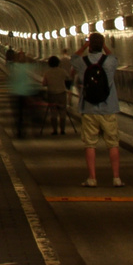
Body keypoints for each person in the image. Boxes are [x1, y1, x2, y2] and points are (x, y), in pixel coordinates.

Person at [72, 32, 122, 187]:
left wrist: (84, 46)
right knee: (113, 143)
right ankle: (116, 178)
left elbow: (73, 58)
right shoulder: (110, 61)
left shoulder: (82, 62)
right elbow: (112, 56)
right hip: (109, 108)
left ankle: (92, 178)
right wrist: (104, 45)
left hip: (89, 108)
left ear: (89, 46)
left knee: (90, 144)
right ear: (102, 45)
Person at [7, 51, 41, 138]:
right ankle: (21, 129)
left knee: (22, 113)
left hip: (26, 92)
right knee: (20, 114)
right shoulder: (15, 66)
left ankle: (22, 129)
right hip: (18, 92)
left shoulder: (23, 66)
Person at [40, 55, 73, 135]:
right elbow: (68, 78)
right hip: (62, 93)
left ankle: (55, 130)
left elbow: (44, 83)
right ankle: (62, 130)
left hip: (52, 94)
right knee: (62, 111)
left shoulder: (47, 73)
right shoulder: (62, 71)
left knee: (53, 112)